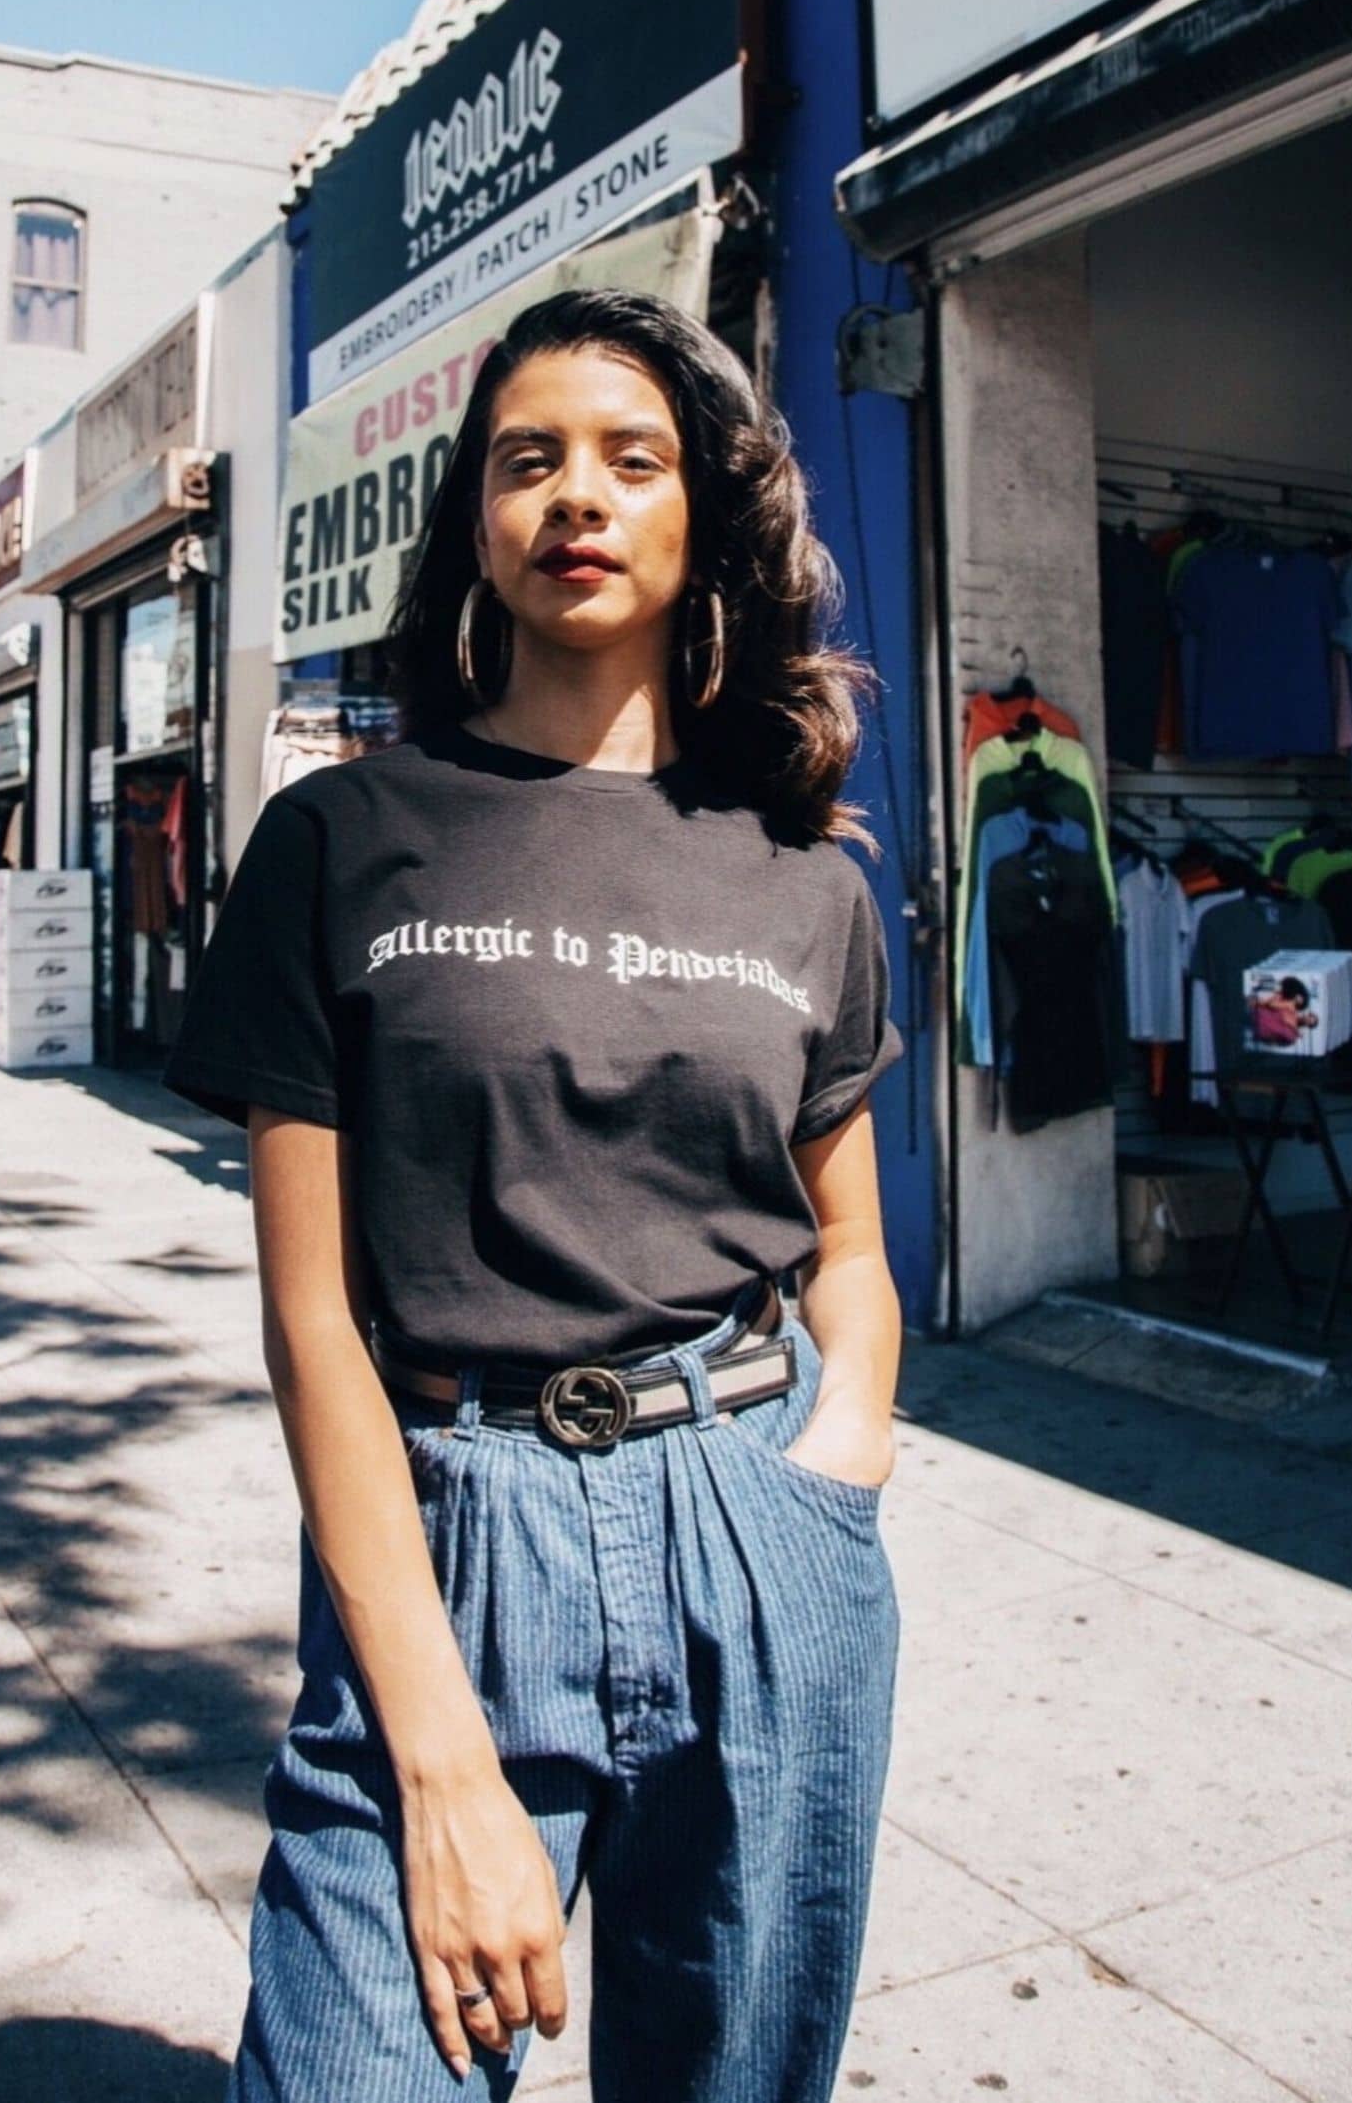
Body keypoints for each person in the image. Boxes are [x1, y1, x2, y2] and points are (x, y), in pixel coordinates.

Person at [161, 287, 904, 2103]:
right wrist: (433, 1753)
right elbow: (310, 1321)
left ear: (698, 518)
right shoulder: (338, 840)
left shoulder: (800, 882)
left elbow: (854, 1254)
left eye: (628, 458)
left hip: (757, 1526)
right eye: (527, 461)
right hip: (451, 1538)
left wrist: (835, 1469)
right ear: (476, 527)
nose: (575, 493)